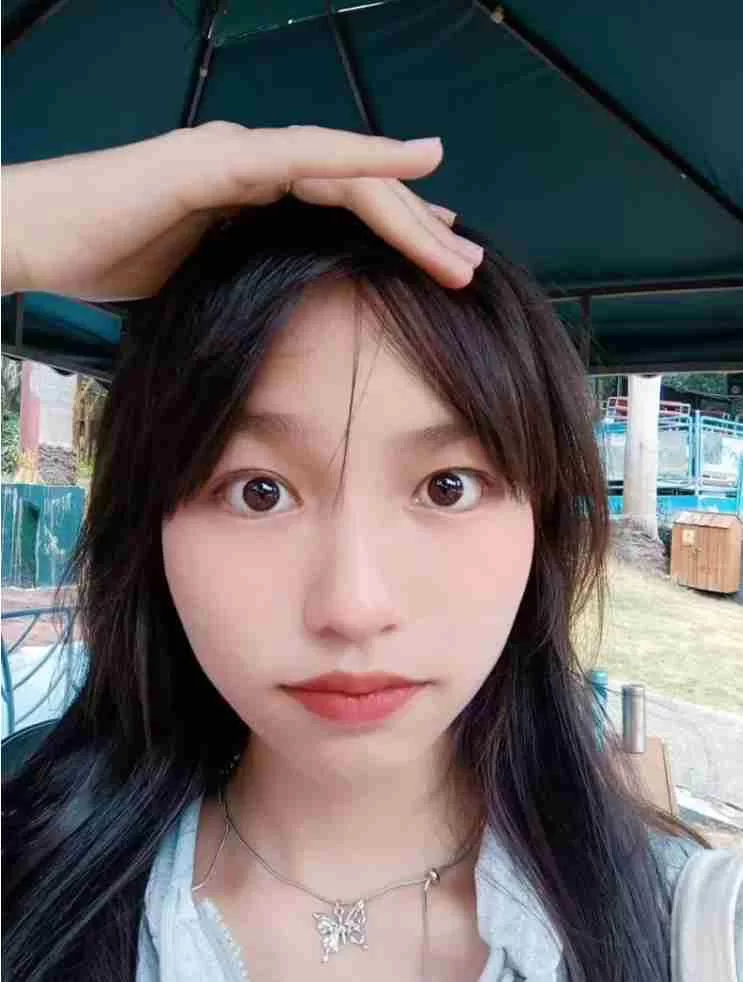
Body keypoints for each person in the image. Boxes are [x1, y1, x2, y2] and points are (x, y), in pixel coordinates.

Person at [1, 123, 740, 982]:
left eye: (447, 486)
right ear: (148, 527)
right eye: (258, 491)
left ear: (540, 524)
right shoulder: (29, 884)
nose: (354, 607)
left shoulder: (696, 934)